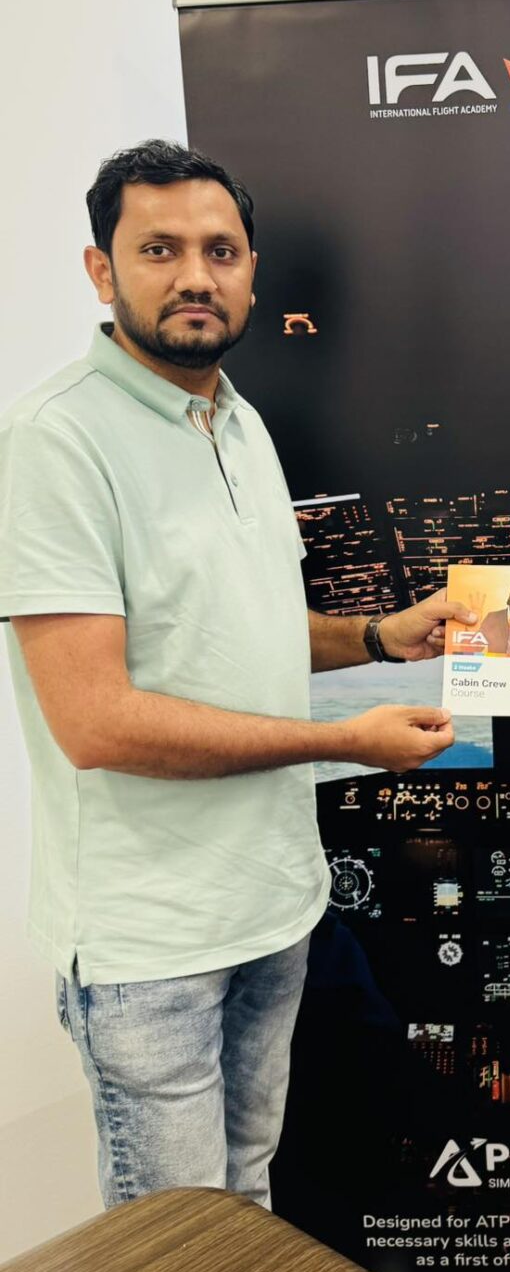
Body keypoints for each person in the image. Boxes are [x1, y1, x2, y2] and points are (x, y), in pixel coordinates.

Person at [0, 139, 474, 1211]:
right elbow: (97, 720)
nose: (195, 276)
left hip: (273, 905)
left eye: (220, 251)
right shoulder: (56, 441)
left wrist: (377, 637)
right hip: (151, 943)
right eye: (158, 249)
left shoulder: (239, 421)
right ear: (100, 269)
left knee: (248, 1198)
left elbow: (240, 627)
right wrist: (343, 742)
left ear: (252, 273)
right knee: (177, 1248)